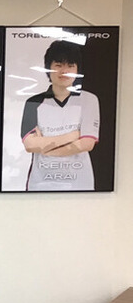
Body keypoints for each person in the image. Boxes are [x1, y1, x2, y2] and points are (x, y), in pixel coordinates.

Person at [21, 40, 99, 191]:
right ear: (48, 68)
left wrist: (46, 146)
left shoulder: (89, 100)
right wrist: (74, 135)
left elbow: (87, 143)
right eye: (58, 65)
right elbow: (30, 145)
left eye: (70, 65)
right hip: (40, 183)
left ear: (77, 70)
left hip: (80, 183)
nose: (64, 71)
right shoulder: (34, 102)